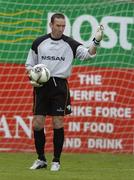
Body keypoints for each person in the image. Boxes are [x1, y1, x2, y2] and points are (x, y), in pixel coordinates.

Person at [25, 13, 104, 171]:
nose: (61, 29)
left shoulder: (70, 43)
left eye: (63, 26)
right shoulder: (39, 42)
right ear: (51, 25)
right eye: (58, 25)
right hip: (41, 87)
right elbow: (29, 65)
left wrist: (96, 42)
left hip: (59, 86)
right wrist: (32, 75)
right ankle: (41, 159)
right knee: (38, 124)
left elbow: (89, 54)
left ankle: (56, 161)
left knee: (58, 122)